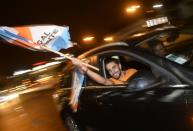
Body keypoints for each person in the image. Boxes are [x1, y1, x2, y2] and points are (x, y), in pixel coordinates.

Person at [71, 57, 138, 85]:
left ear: (119, 66)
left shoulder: (132, 71)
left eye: (114, 67)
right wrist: (85, 69)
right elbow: (103, 81)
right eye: (109, 70)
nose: (113, 72)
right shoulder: (113, 81)